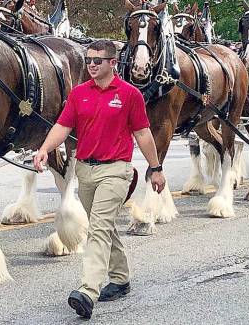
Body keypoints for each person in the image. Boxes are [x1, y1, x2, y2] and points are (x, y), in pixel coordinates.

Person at [32, 39, 167, 319]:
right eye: (89, 60)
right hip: (85, 170)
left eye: (98, 61)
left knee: (98, 229)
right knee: (101, 226)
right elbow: (63, 125)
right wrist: (45, 149)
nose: (91, 65)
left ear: (113, 63)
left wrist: (155, 168)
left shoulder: (130, 95)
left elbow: (142, 133)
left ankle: (88, 290)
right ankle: (120, 278)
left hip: (115, 171)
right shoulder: (80, 93)